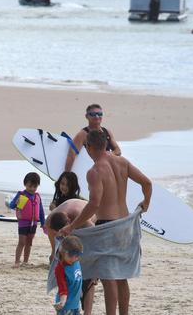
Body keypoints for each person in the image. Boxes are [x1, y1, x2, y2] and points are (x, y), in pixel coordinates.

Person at [60, 130, 152, 315]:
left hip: (107, 226)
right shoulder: (122, 162)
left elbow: (94, 204)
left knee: (108, 276)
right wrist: (146, 203)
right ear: (106, 145)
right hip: (126, 224)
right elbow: (147, 183)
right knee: (121, 276)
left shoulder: (94, 171)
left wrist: (72, 226)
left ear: (89, 147)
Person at [46, 199, 96, 314]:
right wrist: (54, 253)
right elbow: (55, 247)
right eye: (59, 233)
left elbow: (95, 241)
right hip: (70, 223)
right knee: (71, 272)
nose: (63, 234)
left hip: (89, 228)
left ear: (69, 221)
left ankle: (87, 312)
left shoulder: (83, 219)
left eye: (64, 231)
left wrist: (94, 270)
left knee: (89, 278)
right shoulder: (50, 221)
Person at [65, 104, 121, 172]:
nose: (97, 116)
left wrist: (107, 155)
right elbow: (71, 155)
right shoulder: (83, 134)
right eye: (93, 114)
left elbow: (118, 150)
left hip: (108, 169)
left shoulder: (107, 131)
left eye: (99, 114)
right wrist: (66, 174)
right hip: (93, 171)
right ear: (86, 116)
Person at [8, 172, 45, 268]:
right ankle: (17, 261)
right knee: (22, 242)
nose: (32, 189)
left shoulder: (38, 196)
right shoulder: (22, 195)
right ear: (25, 184)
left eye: (35, 186)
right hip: (23, 223)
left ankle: (25, 261)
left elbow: (40, 210)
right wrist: (17, 202)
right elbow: (11, 205)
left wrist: (43, 222)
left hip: (34, 223)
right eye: (30, 186)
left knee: (29, 243)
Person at [53, 235, 84, 315]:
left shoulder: (76, 262)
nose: (74, 258)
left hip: (76, 304)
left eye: (78, 255)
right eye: (71, 254)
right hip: (66, 306)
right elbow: (62, 287)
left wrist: (80, 290)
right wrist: (62, 301)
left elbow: (78, 278)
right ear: (62, 252)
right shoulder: (60, 268)